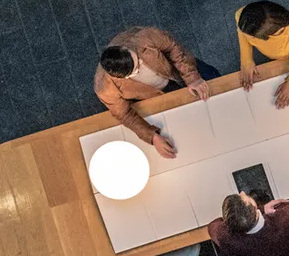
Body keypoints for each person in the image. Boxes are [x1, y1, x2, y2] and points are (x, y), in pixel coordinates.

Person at [94, 26, 220, 159]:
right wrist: (152, 136)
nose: (139, 68)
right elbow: (124, 115)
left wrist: (192, 78)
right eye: (135, 71)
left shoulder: (146, 36)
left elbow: (173, 48)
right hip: (155, 93)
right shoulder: (104, 86)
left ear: (125, 48)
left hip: (176, 69)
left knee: (215, 81)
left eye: (138, 61)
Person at [236, 0, 289, 108]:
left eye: (252, 37)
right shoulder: (244, 16)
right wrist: (246, 60)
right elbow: (242, 32)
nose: (248, 38)